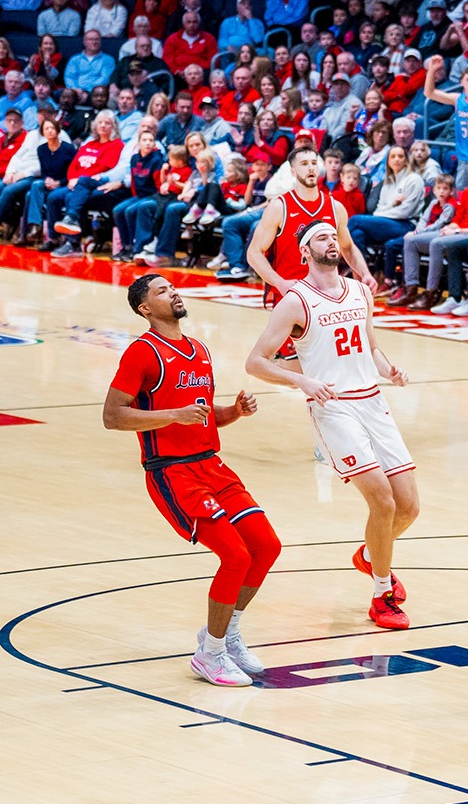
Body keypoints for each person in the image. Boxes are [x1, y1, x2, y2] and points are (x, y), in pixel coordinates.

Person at [103, 274, 276, 687]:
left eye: (172, 288)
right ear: (145, 308)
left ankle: (225, 633)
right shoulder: (141, 353)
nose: (173, 293)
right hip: (173, 471)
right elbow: (113, 416)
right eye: (162, 291)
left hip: (212, 464)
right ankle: (210, 655)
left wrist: (233, 412)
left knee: (266, 546)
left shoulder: (198, 349)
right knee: (235, 556)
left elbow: (200, 411)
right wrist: (171, 416)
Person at [245, 221, 418, 630]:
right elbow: (256, 362)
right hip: (334, 407)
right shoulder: (295, 301)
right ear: (304, 250)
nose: (331, 242)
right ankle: (382, 596)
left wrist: (389, 369)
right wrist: (302, 381)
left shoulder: (359, 290)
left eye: (333, 236)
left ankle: (371, 553)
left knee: (409, 507)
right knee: (382, 501)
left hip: (373, 402)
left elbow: (369, 346)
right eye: (321, 237)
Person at [243, 144, 379, 354]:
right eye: (304, 164)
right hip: (294, 295)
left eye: (314, 163)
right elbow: (253, 253)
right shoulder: (280, 207)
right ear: (293, 171)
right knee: (289, 364)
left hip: (327, 296)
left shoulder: (334, 207)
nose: (311, 168)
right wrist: (280, 283)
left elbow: (348, 248)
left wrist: (365, 274)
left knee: (331, 362)